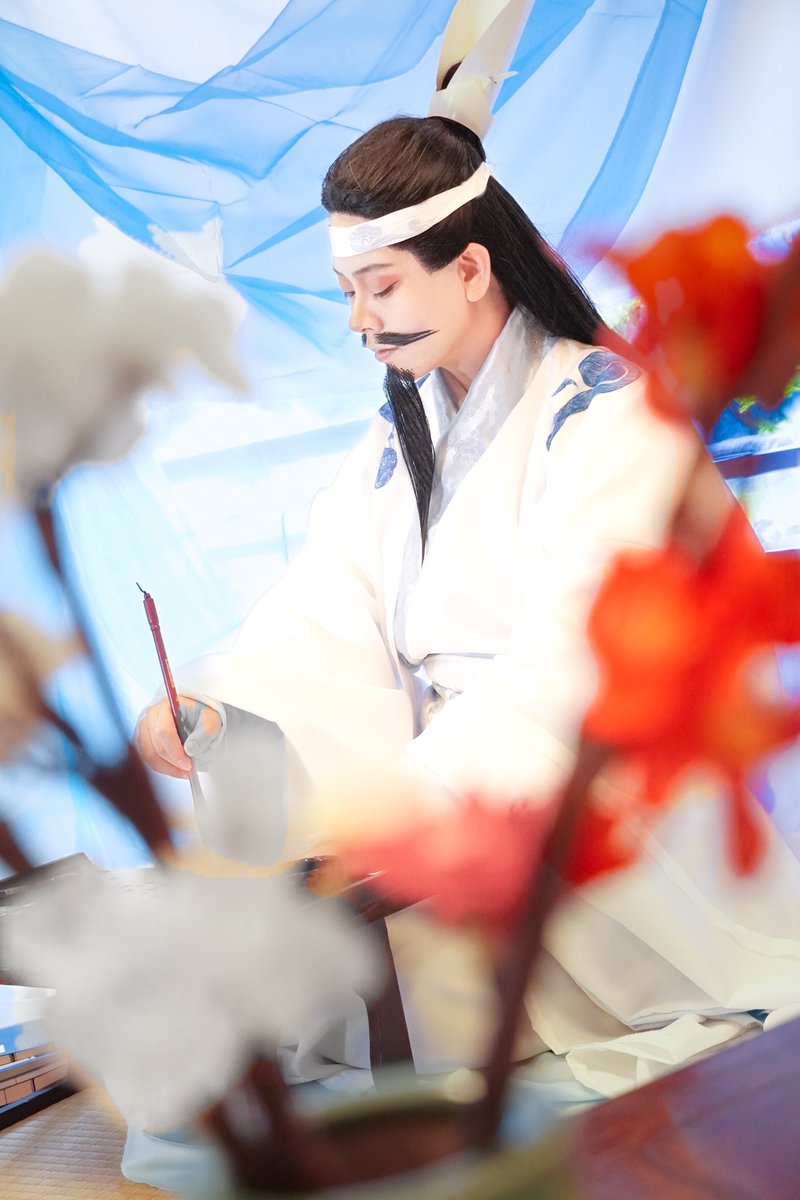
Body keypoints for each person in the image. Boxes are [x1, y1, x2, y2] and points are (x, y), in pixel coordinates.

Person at [136, 116, 800, 1100]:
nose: (358, 320)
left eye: (380, 287)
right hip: (458, 764)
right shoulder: (399, 431)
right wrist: (223, 712)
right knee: (282, 985)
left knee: (339, 991)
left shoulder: (607, 413)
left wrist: (412, 806)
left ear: (471, 270)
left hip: (587, 789)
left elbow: (575, 664)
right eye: (347, 292)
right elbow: (327, 606)